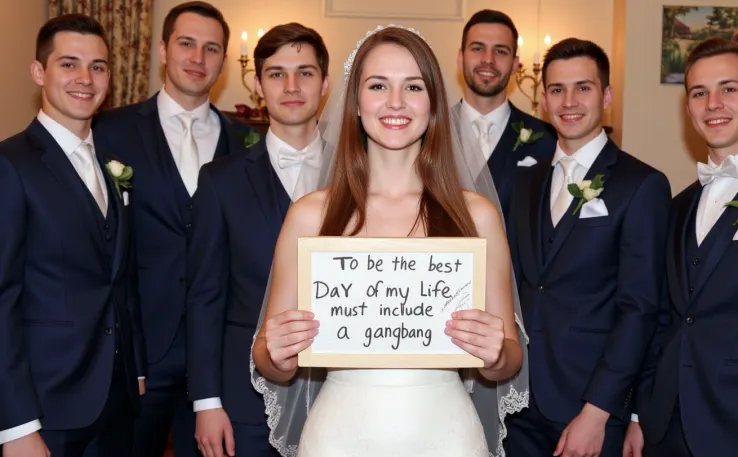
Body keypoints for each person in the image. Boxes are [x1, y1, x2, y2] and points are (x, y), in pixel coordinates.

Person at [249, 25, 528, 457]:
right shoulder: (309, 215)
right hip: (339, 434)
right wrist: (278, 353)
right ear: (355, 102)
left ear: (433, 102)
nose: (395, 102)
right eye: (378, 85)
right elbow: (267, 355)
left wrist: (495, 355)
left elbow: (509, 355)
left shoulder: (478, 216)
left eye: (412, 86)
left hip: (447, 433)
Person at [626, 37, 738, 457]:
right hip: (664, 429)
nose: (712, 103)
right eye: (699, 93)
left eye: (729, 88)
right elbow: (665, 319)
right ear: (688, 108)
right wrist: (637, 416)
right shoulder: (680, 204)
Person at [92, 2, 251, 456]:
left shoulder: (247, 142)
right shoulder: (108, 130)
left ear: (223, 60)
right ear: (163, 49)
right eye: (186, 43)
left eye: (211, 48)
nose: (198, 57)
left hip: (221, 355)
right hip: (138, 350)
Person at [504, 38, 671, 457]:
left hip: (590, 405)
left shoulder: (642, 185)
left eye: (584, 87)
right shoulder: (527, 182)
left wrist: (598, 412)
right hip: (519, 403)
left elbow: (641, 308)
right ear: (543, 100)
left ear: (607, 96)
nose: (569, 101)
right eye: (557, 89)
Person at [0, 13, 144, 457]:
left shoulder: (112, 163)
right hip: (46, 406)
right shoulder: (11, 164)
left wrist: (135, 365)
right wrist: (16, 425)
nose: (85, 78)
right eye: (69, 64)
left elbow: (121, 277)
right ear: (39, 72)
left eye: (98, 66)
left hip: (116, 397)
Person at [186, 22, 329, 457]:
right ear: (258, 84)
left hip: (340, 389)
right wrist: (207, 401)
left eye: (305, 72)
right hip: (246, 396)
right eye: (276, 73)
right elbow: (204, 297)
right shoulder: (220, 180)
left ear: (324, 84)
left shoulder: (361, 176)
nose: (291, 85)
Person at [455, 9, 556, 214]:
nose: (488, 59)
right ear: (460, 58)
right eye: (477, 48)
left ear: (515, 65)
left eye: (500, 51)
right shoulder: (430, 133)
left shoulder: (548, 141)